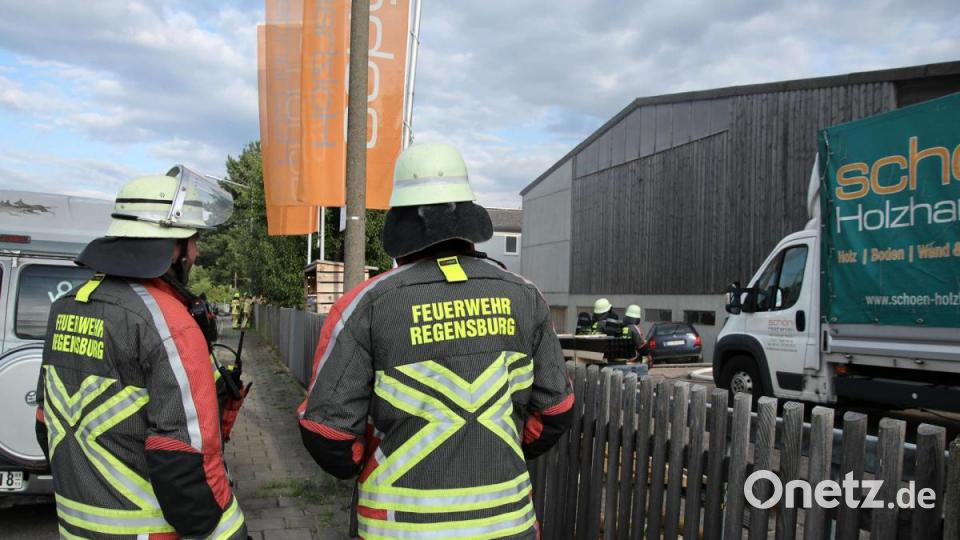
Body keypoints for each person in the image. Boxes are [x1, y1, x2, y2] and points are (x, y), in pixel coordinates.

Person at [298, 142, 574, 538]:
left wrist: (371, 461)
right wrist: (500, 450)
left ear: (402, 223)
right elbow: (557, 410)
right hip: (506, 523)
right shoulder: (525, 296)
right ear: (468, 218)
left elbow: (328, 433)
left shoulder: (364, 305)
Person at [34, 166, 246, 539]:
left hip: (75, 524)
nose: (195, 252)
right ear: (170, 246)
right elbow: (184, 460)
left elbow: (44, 422)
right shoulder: (169, 322)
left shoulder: (67, 305)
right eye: (191, 239)